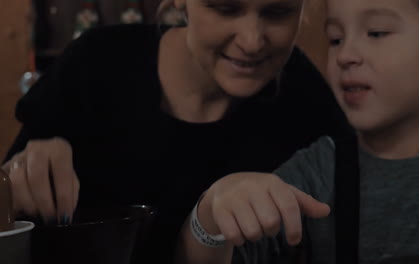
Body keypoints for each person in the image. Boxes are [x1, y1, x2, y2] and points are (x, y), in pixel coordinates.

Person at [1, 0, 350, 262]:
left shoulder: (303, 94)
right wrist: (19, 176)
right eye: (225, 8)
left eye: (277, 12)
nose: (252, 40)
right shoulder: (97, 61)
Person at [176, 0, 419, 263]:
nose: (345, 56)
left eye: (376, 33)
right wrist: (210, 217)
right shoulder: (311, 174)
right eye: (336, 39)